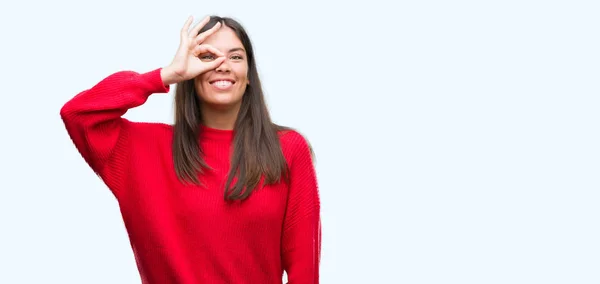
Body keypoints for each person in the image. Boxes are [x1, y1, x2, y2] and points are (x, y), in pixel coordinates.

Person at [60, 15, 321, 284]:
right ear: (189, 71)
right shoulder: (143, 149)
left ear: (249, 75)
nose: (223, 66)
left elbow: (305, 270)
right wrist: (165, 75)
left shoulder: (287, 149)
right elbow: (79, 114)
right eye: (208, 57)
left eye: (235, 57)